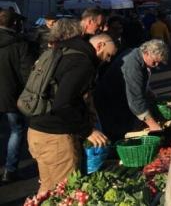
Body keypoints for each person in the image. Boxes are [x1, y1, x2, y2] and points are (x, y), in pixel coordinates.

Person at [27, 19, 109, 194]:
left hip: (37, 131)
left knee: (48, 191)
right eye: (107, 55)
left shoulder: (57, 53)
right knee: (65, 193)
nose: (106, 60)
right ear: (100, 46)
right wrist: (87, 130)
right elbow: (63, 103)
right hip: (56, 137)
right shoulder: (81, 61)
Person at [94, 39, 168, 142]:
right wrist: (153, 125)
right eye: (154, 62)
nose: (156, 66)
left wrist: (148, 90)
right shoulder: (132, 64)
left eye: (158, 63)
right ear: (146, 53)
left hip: (117, 100)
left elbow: (139, 82)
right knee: (118, 134)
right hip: (110, 104)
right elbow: (135, 99)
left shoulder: (136, 53)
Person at [0, 9, 33, 184]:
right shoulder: (20, 44)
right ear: (14, 23)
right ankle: (10, 170)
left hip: (9, 93)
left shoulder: (19, 43)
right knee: (16, 130)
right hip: (12, 95)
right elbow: (27, 73)